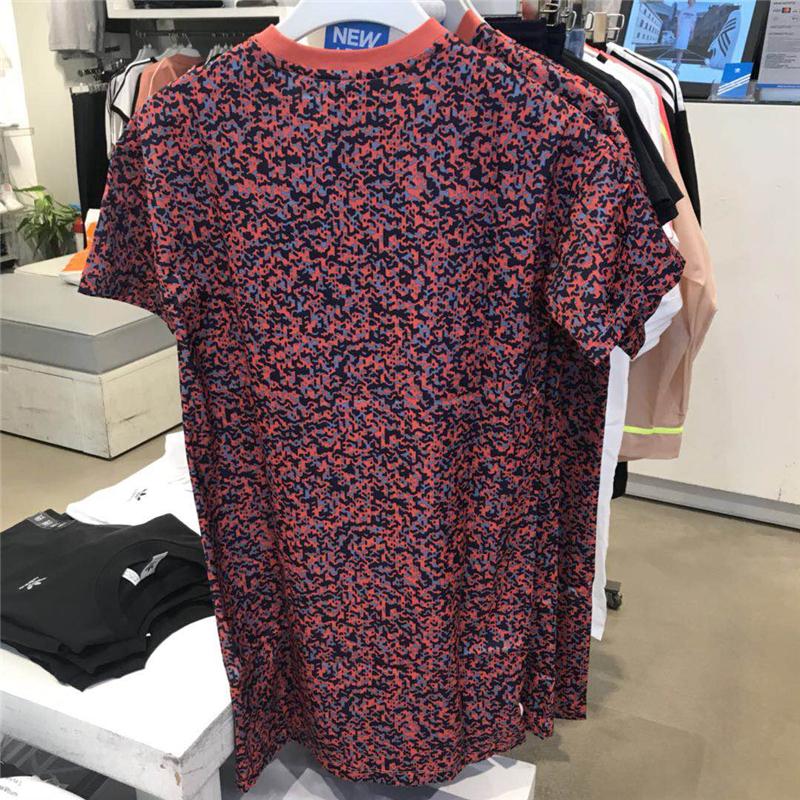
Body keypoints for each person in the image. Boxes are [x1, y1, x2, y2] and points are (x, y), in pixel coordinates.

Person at [673, 0, 699, 74]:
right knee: (678, 47)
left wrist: (692, 33)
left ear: (694, 2)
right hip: (681, 31)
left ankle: (678, 62)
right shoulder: (683, 10)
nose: (691, 2)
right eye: (689, 1)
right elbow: (679, 21)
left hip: (687, 32)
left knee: (682, 48)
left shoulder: (694, 12)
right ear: (688, 2)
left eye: (692, 1)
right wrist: (677, 31)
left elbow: (693, 24)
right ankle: (678, 61)